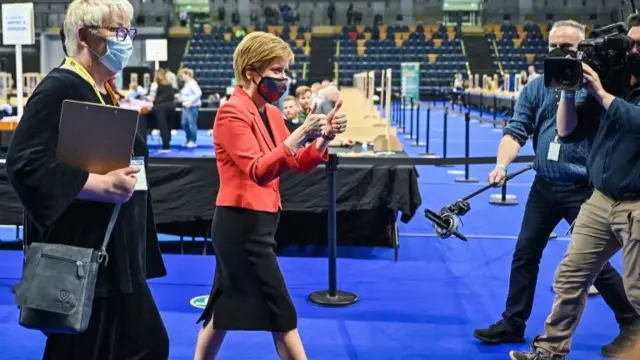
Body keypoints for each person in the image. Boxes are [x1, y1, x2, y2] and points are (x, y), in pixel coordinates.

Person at [5, 0, 169, 359]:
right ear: (84, 36)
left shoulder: (100, 88)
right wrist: (99, 186)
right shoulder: (60, 87)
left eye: (129, 31)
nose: (126, 40)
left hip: (111, 256)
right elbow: (23, 163)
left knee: (129, 345)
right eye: (118, 31)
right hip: (86, 257)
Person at [473, 19, 638, 358]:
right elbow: (520, 130)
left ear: (583, 50)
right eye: (554, 47)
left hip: (583, 186)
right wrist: (502, 164)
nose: (560, 54)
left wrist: (591, 89)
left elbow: (591, 126)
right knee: (527, 254)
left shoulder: (604, 82)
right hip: (545, 184)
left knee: (600, 270)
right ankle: (514, 322)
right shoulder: (536, 87)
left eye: (568, 48)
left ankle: (630, 320)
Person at [192, 31, 347, 360]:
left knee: (222, 309)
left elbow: (295, 163)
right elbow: (259, 170)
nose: (284, 79)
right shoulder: (231, 113)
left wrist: (322, 139)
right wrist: (303, 131)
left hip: (261, 222)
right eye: (277, 71)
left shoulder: (273, 113)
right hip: (240, 226)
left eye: (286, 71)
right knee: (281, 314)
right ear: (251, 72)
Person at [152, 68, 176, 152]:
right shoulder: (169, 84)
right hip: (172, 106)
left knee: (163, 126)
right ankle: (168, 142)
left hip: (161, 108)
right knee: (169, 125)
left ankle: (165, 146)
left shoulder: (158, 85)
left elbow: (156, 99)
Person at [177, 68, 201, 148]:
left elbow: (199, 93)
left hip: (192, 107)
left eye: (183, 76)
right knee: (184, 123)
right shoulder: (186, 84)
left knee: (192, 124)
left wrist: (191, 102)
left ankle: (193, 141)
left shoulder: (193, 83)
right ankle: (188, 139)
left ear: (188, 75)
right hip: (185, 106)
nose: (182, 77)